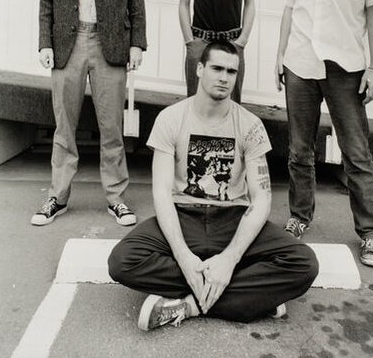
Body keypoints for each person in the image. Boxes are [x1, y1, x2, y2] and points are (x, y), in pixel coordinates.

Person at [108, 41, 318, 331]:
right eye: (217, 68)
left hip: (233, 218)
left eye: (231, 71)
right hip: (185, 215)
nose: (224, 77)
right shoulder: (170, 119)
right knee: (122, 261)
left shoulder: (250, 125)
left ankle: (188, 306)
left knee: (304, 263)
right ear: (199, 69)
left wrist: (230, 260)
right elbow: (161, 193)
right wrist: (183, 257)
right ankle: (252, 297)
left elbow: (261, 199)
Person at [275, 0, 373, 268]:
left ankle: (371, 234)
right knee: (299, 150)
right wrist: (279, 55)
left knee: (356, 152)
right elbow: (290, 8)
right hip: (301, 62)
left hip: (346, 67)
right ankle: (299, 217)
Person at [32, 0, 147, 227]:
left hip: (109, 42)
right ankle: (57, 197)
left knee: (110, 125)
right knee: (64, 125)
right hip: (68, 41)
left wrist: (137, 43)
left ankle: (116, 199)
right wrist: (45, 42)